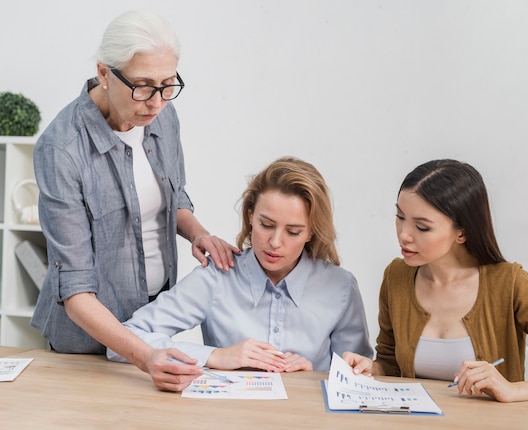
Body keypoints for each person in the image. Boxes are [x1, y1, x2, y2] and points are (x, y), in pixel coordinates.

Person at [31, 10, 239, 356]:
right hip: (89, 341)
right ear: (104, 74)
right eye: (142, 87)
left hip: (152, 320)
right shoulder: (61, 150)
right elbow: (75, 291)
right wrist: (146, 356)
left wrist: (198, 233)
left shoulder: (161, 114)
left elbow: (172, 196)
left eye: (167, 85)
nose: (157, 101)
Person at [343, 159, 528, 403]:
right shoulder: (396, 276)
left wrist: (512, 389)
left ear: (462, 233)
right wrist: (370, 367)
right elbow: (390, 363)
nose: (404, 235)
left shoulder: (509, 283)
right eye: (400, 217)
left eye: (422, 227)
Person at [107, 156, 373, 392]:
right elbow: (123, 341)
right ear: (250, 216)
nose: (275, 242)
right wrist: (215, 356)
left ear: (311, 231)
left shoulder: (340, 287)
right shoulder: (217, 277)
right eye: (266, 225)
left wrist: (315, 373)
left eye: (293, 232)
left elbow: (358, 377)